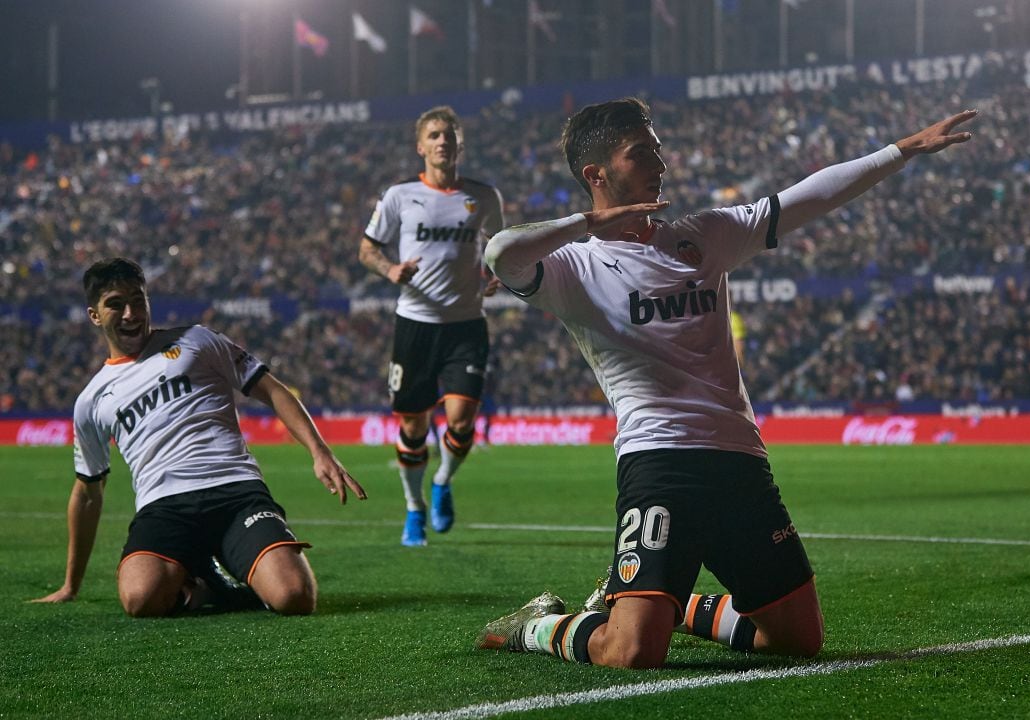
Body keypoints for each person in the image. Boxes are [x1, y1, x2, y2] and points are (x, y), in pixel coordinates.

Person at [477, 98, 976, 668]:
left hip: (739, 458)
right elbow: (500, 253)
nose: (660, 162)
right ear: (596, 174)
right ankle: (538, 625)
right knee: (631, 652)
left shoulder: (702, 235)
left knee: (796, 641)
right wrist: (593, 223)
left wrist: (903, 150)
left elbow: (806, 198)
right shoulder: (573, 267)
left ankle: (671, 605)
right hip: (659, 459)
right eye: (641, 152)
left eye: (658, 148)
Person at [33, 258, 365, 617]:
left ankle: (223, 570)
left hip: (236, 492)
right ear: (94, 315)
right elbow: (87, 492)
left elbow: (271, 389)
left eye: (138, 300)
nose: (130, 313)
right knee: (140, 600)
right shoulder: (91, 400)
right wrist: (71, 584)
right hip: (165, 507)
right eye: (115, 303)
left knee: (295, 597)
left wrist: (319, 451)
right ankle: (205, 584)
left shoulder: (197, 340)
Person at [359, 106, 504, 546]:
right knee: (413, 428)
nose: (443, 141)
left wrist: (499, 273)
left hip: (466, 325)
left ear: (461, 145)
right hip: (415, 325)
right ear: (420, 146)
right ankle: (414, 507)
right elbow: (367, 248)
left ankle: (442, 481)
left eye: (450, 135)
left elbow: (500, 246)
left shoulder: (482, 197)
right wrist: (389, 270)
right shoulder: (400, 196)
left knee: (460, 421)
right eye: (435, 135)